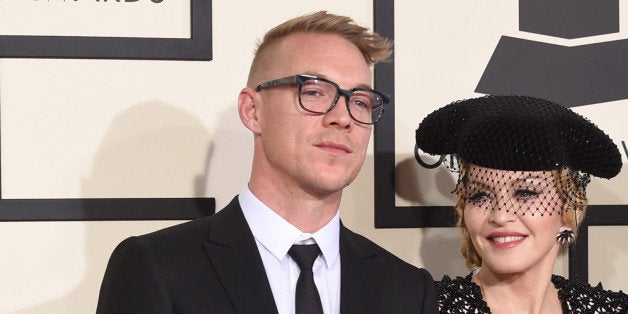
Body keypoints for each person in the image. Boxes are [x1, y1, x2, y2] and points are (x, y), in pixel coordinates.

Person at [97, 11, 437, 314]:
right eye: (314, 91)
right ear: (252, 111)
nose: (342, 117)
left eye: (360, 101)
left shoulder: (407, 289)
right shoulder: (159, 267)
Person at [414, 95, 628, 313]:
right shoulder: (424, 307)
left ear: (568, 210)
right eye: (480, 195)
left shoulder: (614, 309)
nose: (500, 215)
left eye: (525, 193)